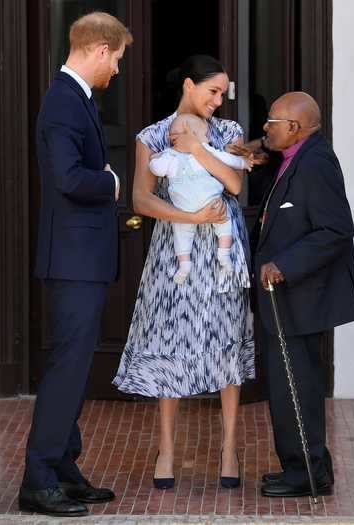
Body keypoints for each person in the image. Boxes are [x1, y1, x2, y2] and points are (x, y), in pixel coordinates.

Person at [113, 55, 258, 490]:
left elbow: (234, 186)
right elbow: (140, 199)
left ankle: (229, 447)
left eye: (223, 93)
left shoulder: (228, 133)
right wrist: (190, 219)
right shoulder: (152, 136)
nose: (218, 100)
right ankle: (167, 450)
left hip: (222, 252)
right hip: (175, 251)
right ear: (189, 85)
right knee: (171, 341)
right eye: (212, 91)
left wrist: (197, 150)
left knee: (227, 340)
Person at [18, 12, 133, 518]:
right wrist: (110, 183)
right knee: (66, 371)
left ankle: (63, 468)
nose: (118, 72)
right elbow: (66, 178)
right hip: (73, 262)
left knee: (75, 369)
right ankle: (38, 479)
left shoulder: (77, 99)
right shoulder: (64, 100)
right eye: (118, 60)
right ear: (101, 50)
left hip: (81, 260)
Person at [253, 92, 354, 498]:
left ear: (294, 128)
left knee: (297, 388)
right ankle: (300, 467)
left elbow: (336, 230)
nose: (265, 127)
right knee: (288, 386)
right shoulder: (295, 157)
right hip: (286, 300)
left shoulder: (316, 163)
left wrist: (285, 264)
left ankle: (309, 475)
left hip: (302, 296)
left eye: (272, 122)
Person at [148, 113, 255, 284]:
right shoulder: (206, 150)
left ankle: (184, 265)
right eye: (205, 135)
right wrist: (243, 163)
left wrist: (154, 159)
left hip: (184, 207)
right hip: (210, 200)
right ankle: (224, 253)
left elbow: (157, 169)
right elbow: (228, 159)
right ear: (191, 134)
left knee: (181, 234)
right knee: (223, 220)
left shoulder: (169, 156)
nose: (207, 139)